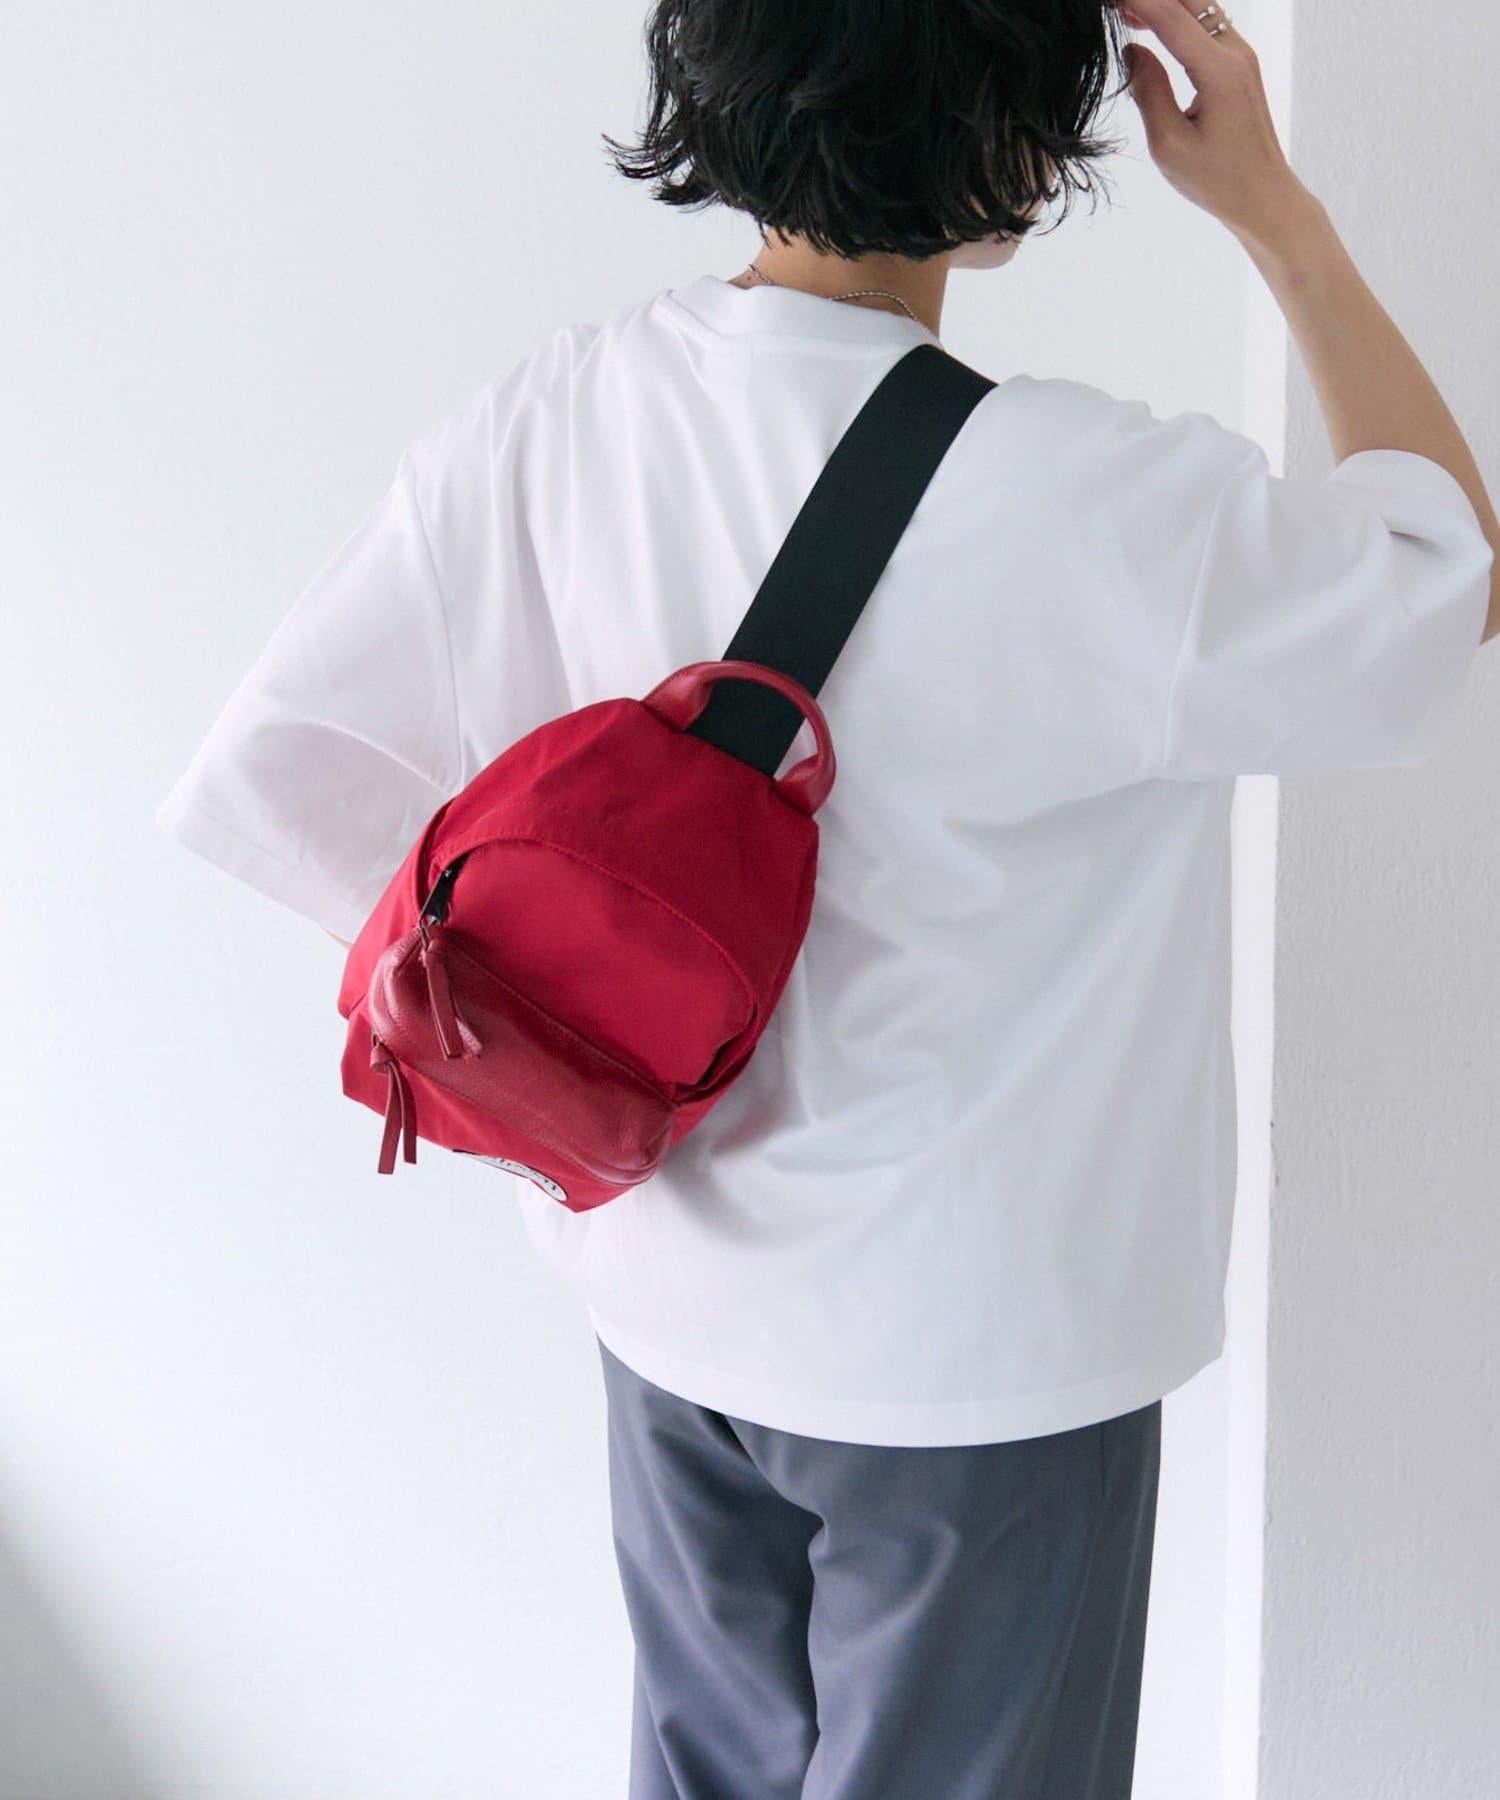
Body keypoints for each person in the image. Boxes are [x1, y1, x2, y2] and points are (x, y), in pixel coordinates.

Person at [156, 0, 1498, 1793]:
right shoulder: (1108, 501)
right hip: (981, 1366)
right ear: (1017, 154)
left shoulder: (560, 415)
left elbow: (281, 770)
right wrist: (1276, 212)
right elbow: (1440, 578)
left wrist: (529, 1034)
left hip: (664, 1298)